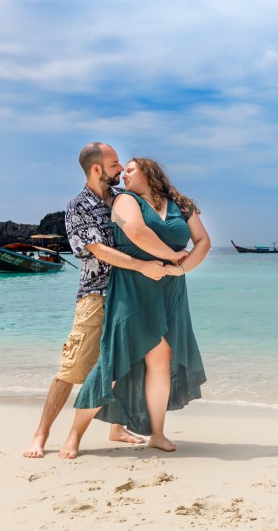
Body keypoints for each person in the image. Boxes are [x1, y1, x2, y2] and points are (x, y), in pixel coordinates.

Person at [23, 143, 188, 459]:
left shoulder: (125, 200)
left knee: (126, 365)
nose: (120, 168)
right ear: (96, 169)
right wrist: (143, 265)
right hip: (97, 295)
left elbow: (143, 233)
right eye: (114, 164)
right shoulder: (79, 206)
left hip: (134, 295)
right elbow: (97, 249)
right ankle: (41, 434)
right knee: (73, 368)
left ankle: (116, 427)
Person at [59, 157, 211, 457]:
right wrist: (174, 257)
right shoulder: (125, 201)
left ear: (149, 172)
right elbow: (137, 234)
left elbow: (203, 241)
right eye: (122, 169)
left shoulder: (181, 204)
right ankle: (74, 436)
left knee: (161, 360)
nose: (124, 175)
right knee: (115, 360)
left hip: (171, 288)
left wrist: (181, 269)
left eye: (129, 170)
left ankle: (157, 433)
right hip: (132, 283)